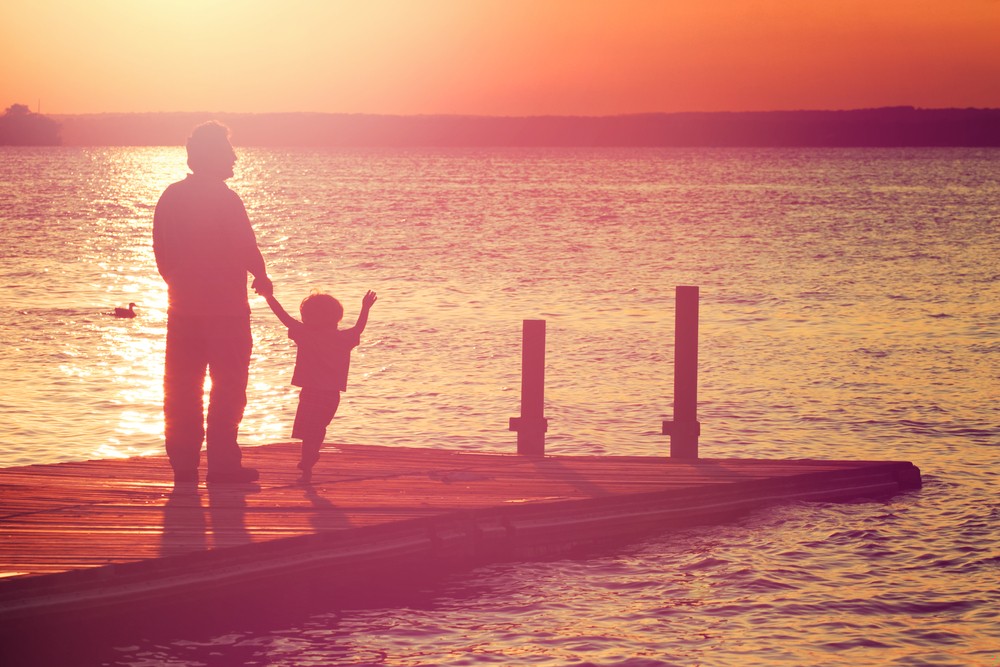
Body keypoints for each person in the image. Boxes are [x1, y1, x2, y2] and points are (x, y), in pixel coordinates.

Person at [153, 121, 272, 484]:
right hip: (225, 312)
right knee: (229, 386)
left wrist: (178, 281)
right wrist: (262, 276)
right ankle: (222, 465)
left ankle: (185, 465)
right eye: (228, 151)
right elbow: (244, 245)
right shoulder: (224, 197)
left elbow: (162, 250)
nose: (235, 158)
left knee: (182, 387)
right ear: (213, 156)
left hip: (184, 309)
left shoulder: (171, 195)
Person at [262, 288, 377, 483]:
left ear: (307, 317)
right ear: (337, 317)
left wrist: (268, 296)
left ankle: (309, 456)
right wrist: (365, 308)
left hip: (310, 391)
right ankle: (309, 457)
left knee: (309, 428)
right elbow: (358, 328)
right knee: (318, 427)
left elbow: (283, 316)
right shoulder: (342, 339)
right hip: (331, 394)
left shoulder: (304, 334)